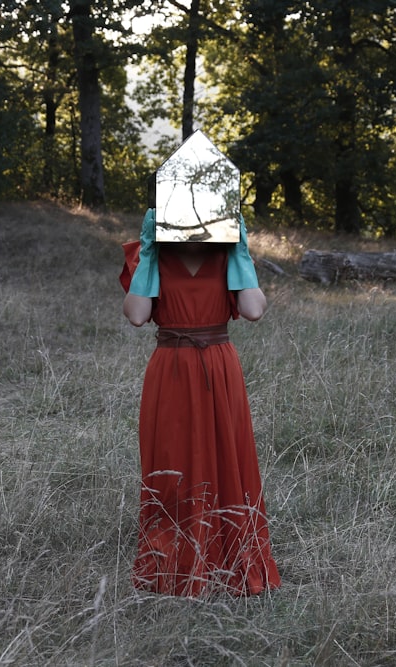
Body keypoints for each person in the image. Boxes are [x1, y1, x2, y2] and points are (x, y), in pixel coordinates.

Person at [120, 209, 282, 597]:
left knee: (227, 458)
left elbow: (254, 310)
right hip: (171, 368)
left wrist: (241, 250)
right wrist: (150, 252)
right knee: (170, 461)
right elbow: (138, 315)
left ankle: (227, 560)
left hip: (218, 366)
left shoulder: (227, 256)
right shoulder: (151, 256)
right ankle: (173, 564)